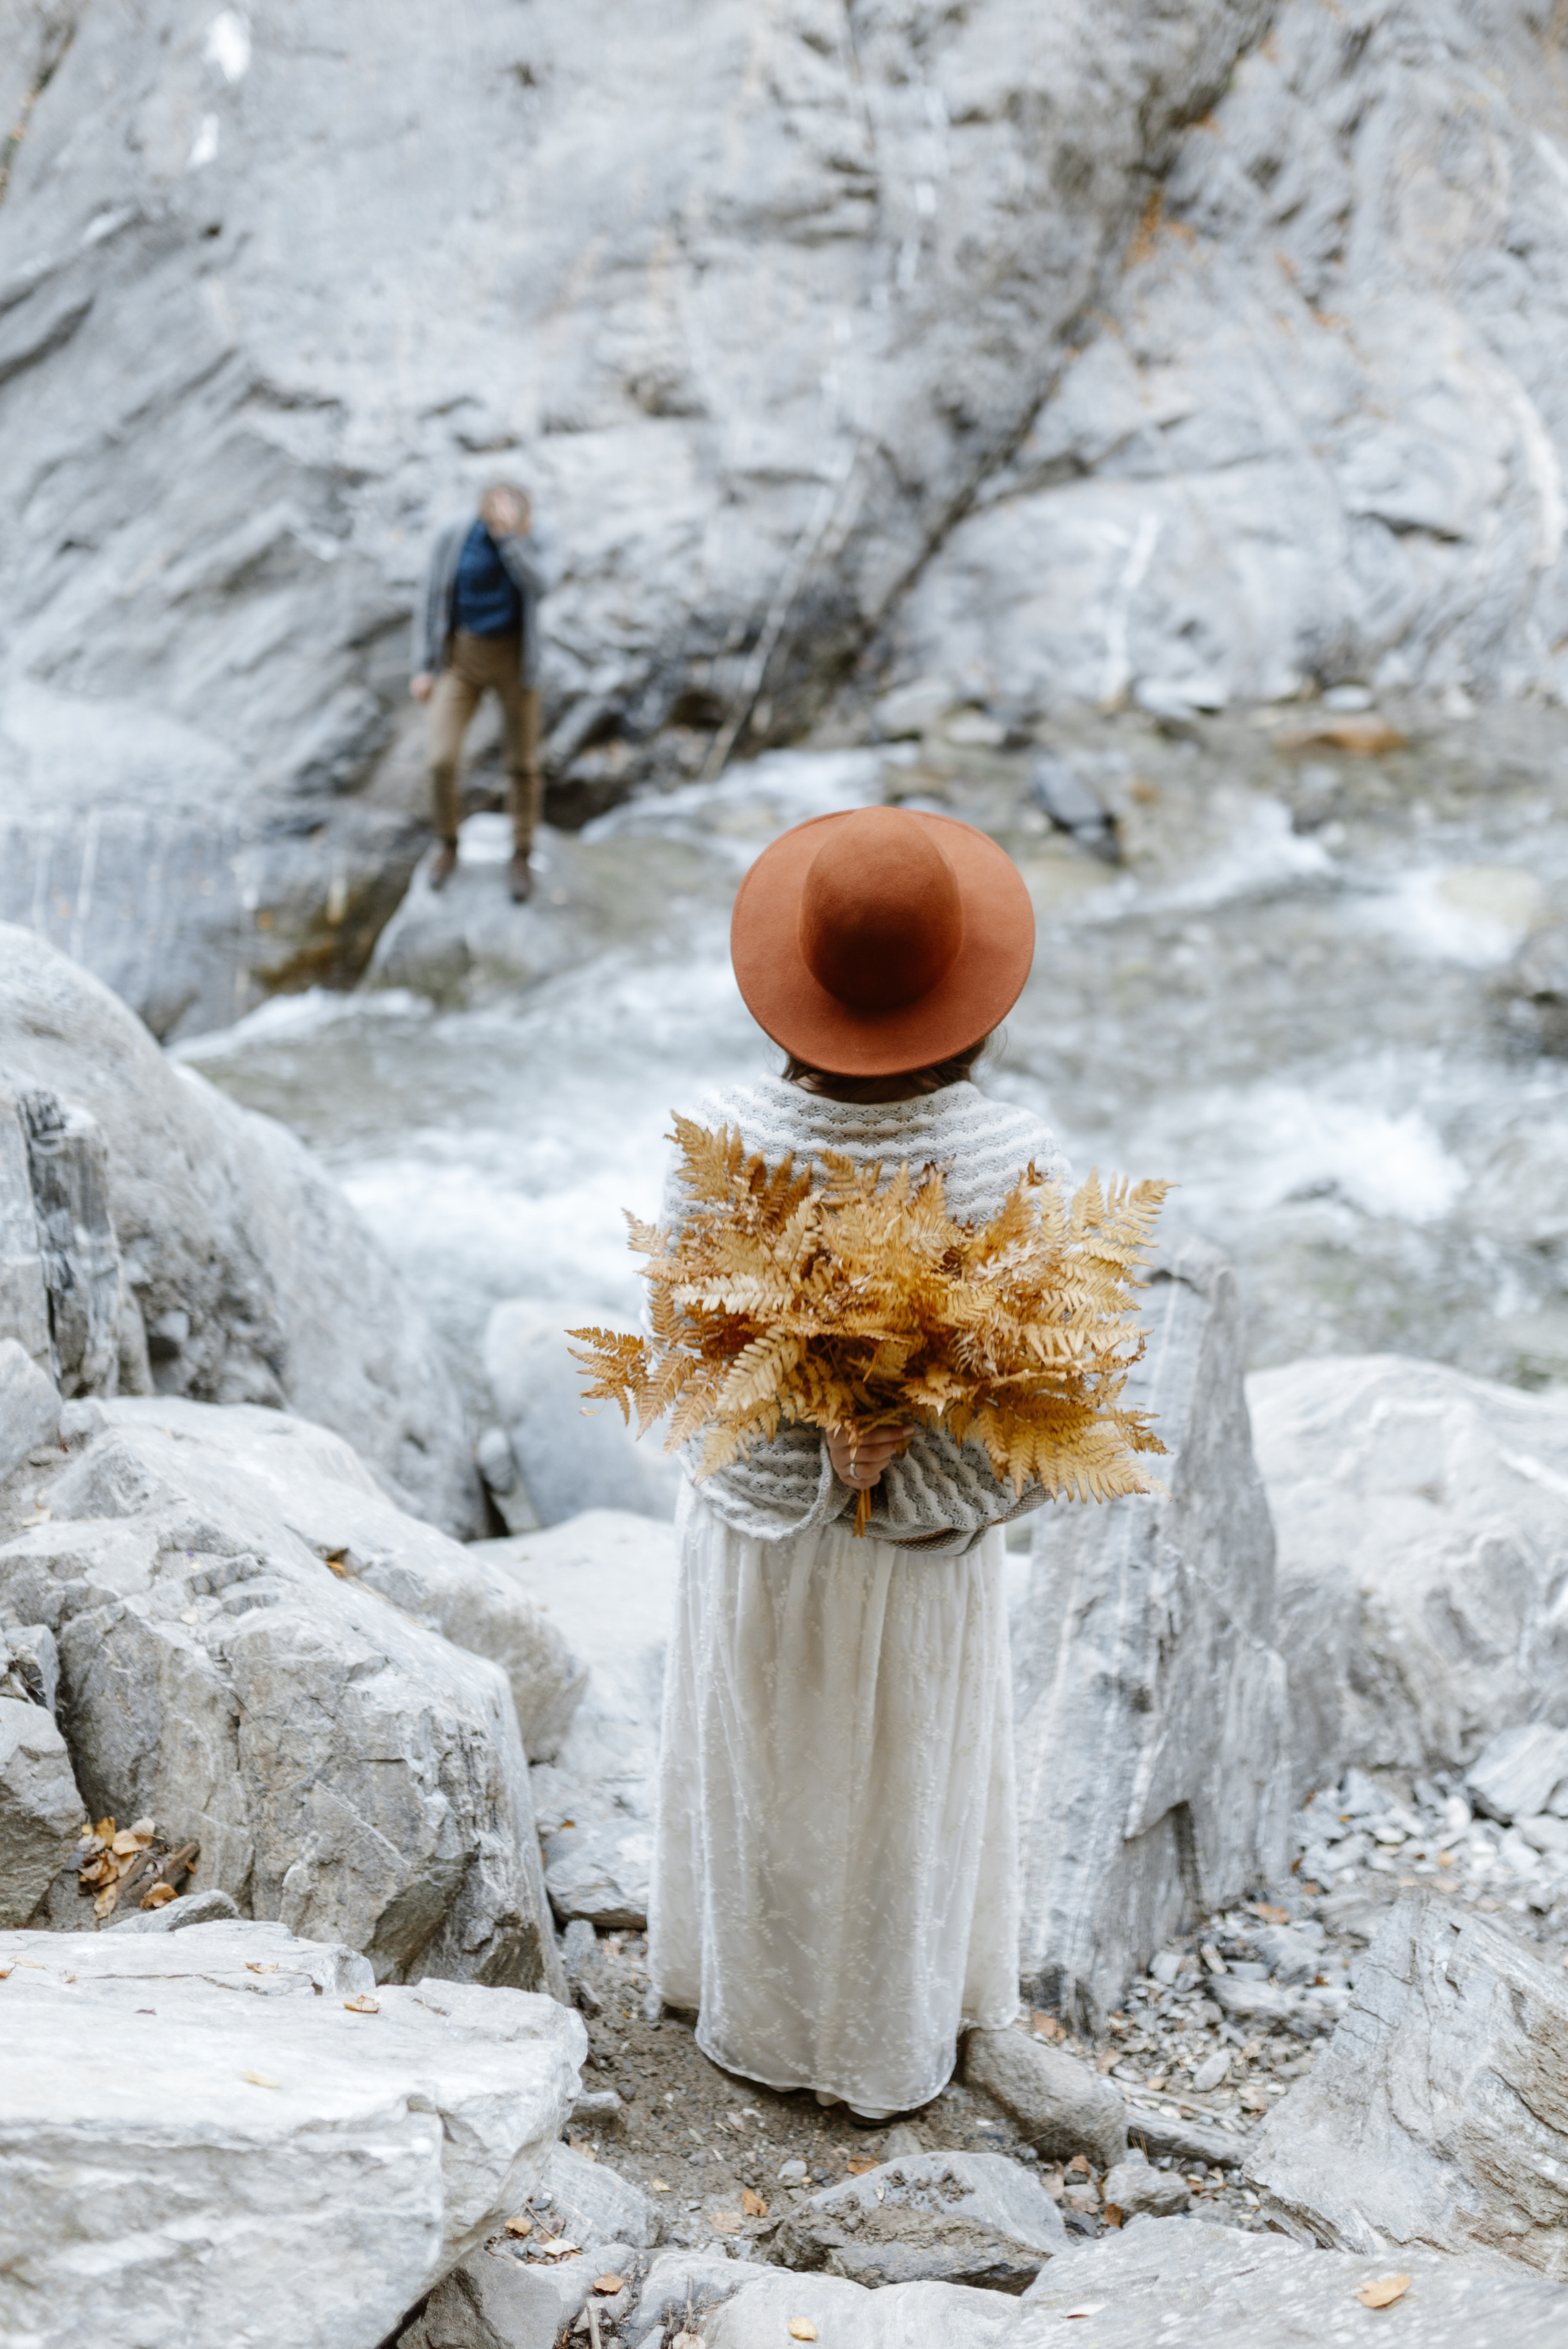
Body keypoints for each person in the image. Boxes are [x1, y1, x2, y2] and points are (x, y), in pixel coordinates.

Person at [646, 803, 1070, 2124]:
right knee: (903, 1780)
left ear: (799, 986)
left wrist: (813, 1433)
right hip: (919, 1560)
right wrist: (905, 1438)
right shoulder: (1010, 1158)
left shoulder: (718, 1142)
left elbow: (685, 1368)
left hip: (764, 1542)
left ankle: (747, 1992)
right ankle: (896, 2020)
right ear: (966, 991)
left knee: (766, 1757)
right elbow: (1046, 1414)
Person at [411, 482, 552, 902]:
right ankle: (447, 844)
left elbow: (542, 586)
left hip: (516, 661)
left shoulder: (538, 536)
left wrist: (510, 542)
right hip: (462, 658)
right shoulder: (456, 535)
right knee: (441, 758)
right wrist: (424, 667)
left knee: (523, 763)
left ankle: (522, 853)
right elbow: (430, 595)